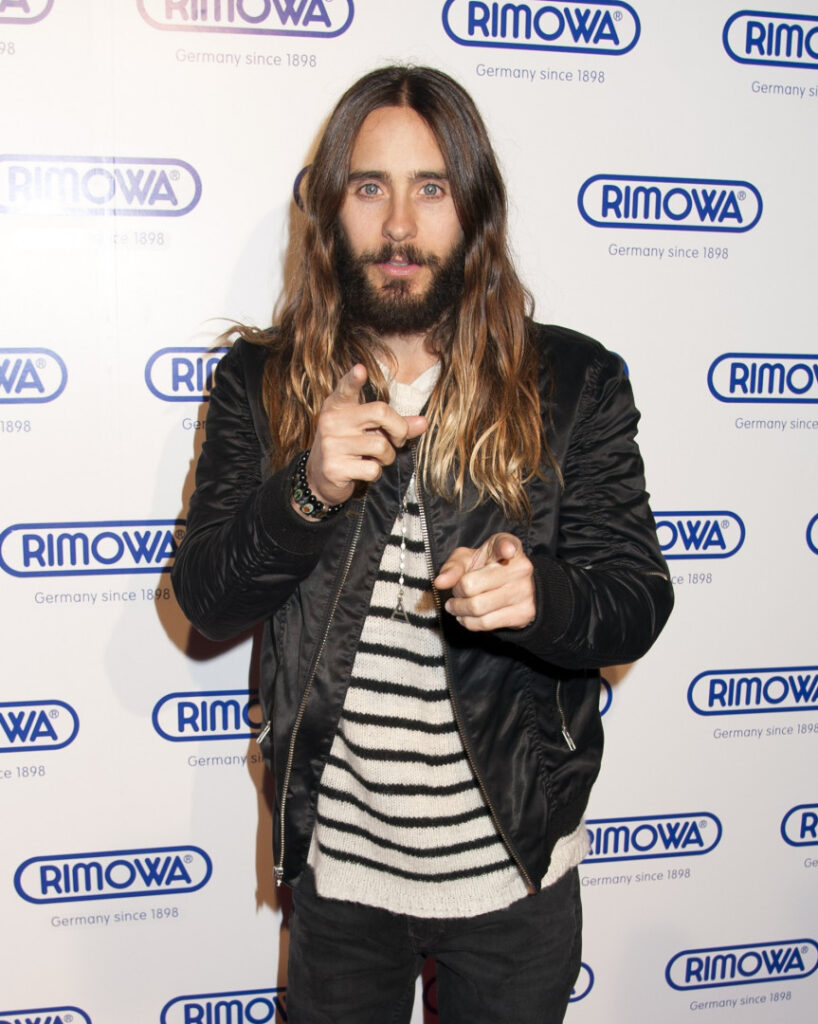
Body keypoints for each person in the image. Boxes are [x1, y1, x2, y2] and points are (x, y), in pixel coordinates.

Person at [172, 65, 673, 1024]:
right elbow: (207, 599)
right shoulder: (261, 383)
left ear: (474, 208)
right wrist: (307, 491)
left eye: (431, 188)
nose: (399, 225)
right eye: (371, 187)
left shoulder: (574, 382)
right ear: (331, 208)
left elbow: (637, 600)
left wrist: (543, 600)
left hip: (516, 877)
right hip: (341, 879)